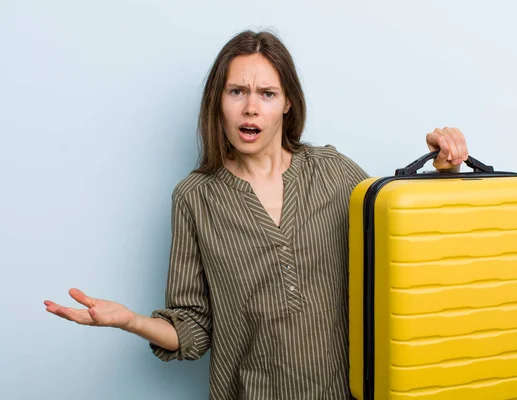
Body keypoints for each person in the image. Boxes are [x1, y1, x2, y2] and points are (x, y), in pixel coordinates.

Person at [44, 30, 469, 399]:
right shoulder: (195, 198)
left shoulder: (332, 171)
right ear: (219, 103)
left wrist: (441, 166)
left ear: (286, 104)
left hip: (349, 390)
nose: (251, 108)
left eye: (267, 94)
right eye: (237, 92)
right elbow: (193, 329)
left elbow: (401, 241)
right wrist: (132, 322)